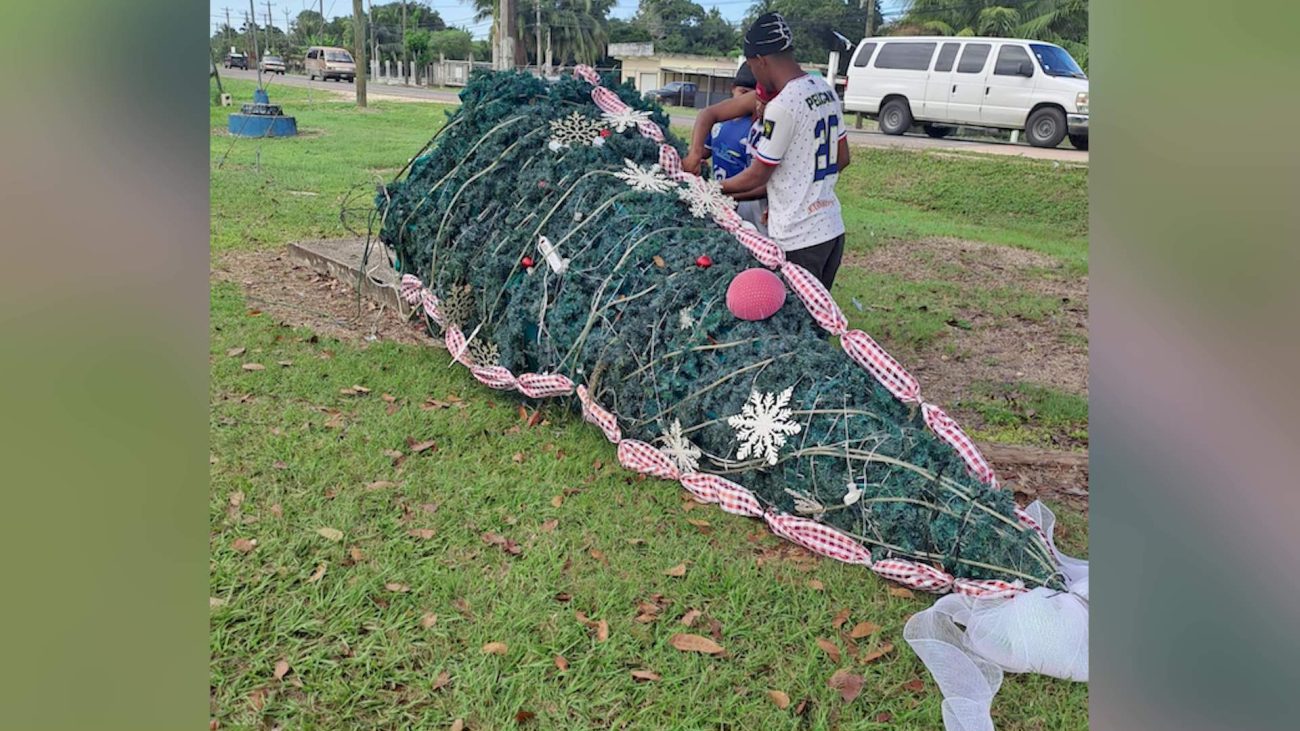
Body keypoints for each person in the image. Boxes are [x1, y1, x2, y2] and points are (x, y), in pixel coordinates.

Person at [718, 12, 852, 290]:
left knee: (795, 325)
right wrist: (798, 188)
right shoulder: (825, 90)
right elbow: (842, 158)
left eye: (753, 69)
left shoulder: (783, 105)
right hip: (831, 230)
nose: (755, 78)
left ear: (760, 61)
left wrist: (708, 190)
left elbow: (757, 175)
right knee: (816, 323)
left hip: (798, 238)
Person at [683, 63, 768, 233]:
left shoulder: (759, 128)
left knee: (749, 237)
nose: (747, 100)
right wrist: (694, 158)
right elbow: (706, 150)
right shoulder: (720, 121)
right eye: (743, 93)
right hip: (718, 195)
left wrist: (723, 194)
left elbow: (762, 181)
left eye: (753, 95)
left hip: (746, 200)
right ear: (733, 89)